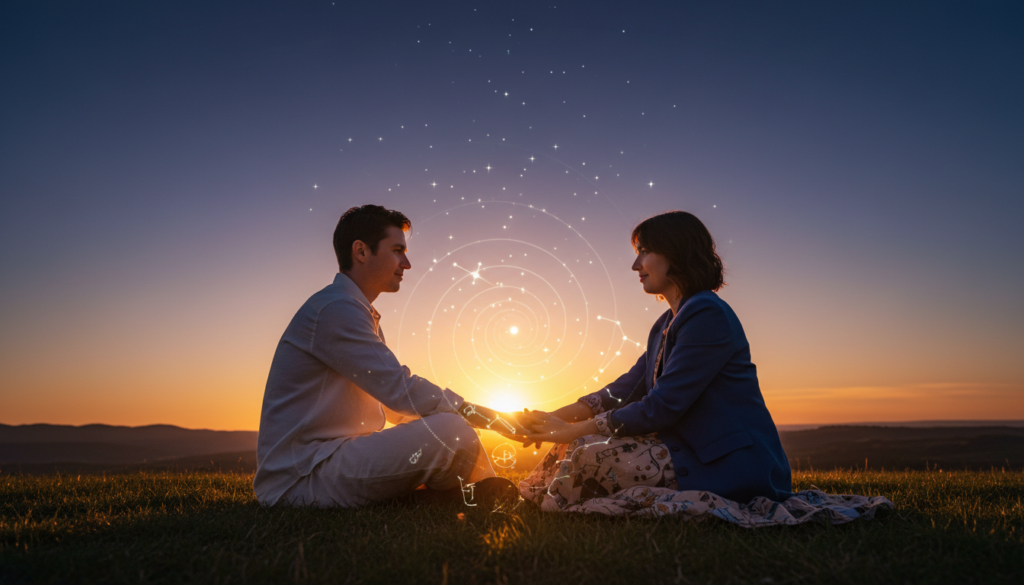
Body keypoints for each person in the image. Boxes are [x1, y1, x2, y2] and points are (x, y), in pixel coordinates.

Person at [518, 211, 792, 509]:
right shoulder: (666, 322)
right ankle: (531, 501)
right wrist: (555, 418)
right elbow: (625, 388)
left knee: (586, 449)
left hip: (727, 462)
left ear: (676, 252)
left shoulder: (708, 315)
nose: (636, 265)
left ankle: (549, 506)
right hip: (686, 450)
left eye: (644, 252)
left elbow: (663, 406)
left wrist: (573, 429)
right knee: (572, 442)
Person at [254, 205, 520, 508]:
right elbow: (399, 390)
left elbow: (393, 407)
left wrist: (455, 418)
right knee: (453, 429)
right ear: (361, 251)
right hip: (303, 475)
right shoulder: (335, 310)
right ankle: (476, 495)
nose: (406, 263)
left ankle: (464, 495)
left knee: (452, 428)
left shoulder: (352, 310)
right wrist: (492, 418)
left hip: (328, 461)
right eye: (397, 250)